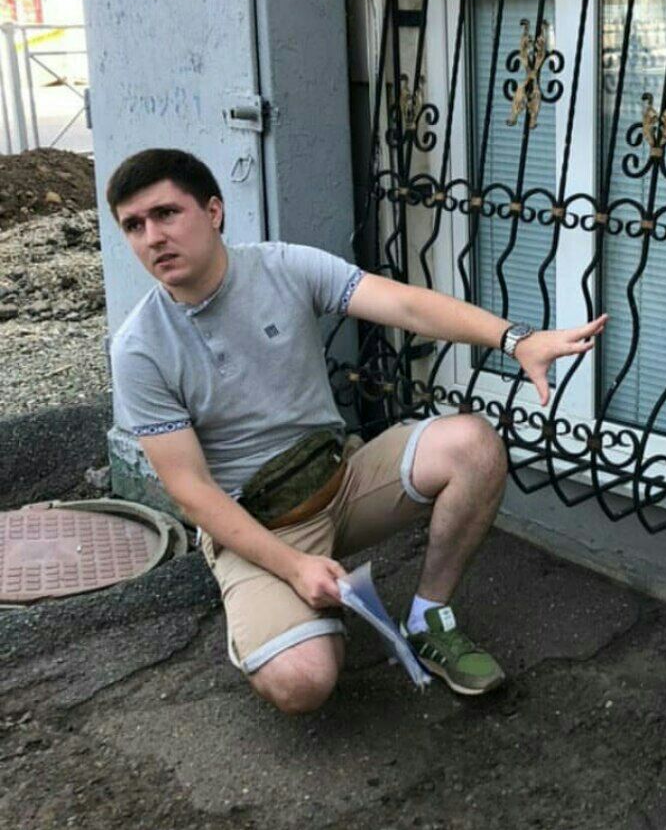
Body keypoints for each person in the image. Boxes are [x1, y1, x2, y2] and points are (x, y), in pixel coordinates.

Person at [107, 148, 605, 714]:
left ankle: (428, 619)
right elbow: (190, 490)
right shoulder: (140, 348)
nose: (153, 237)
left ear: (214, 211)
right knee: (303, 683)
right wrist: (295, 568)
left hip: (342, 481)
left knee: (474, 446)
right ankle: (269, 616)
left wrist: (516, 340)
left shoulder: (283, 267)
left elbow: (407, 307)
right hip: (258, 523)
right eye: (134, 226)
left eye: (167, 214)